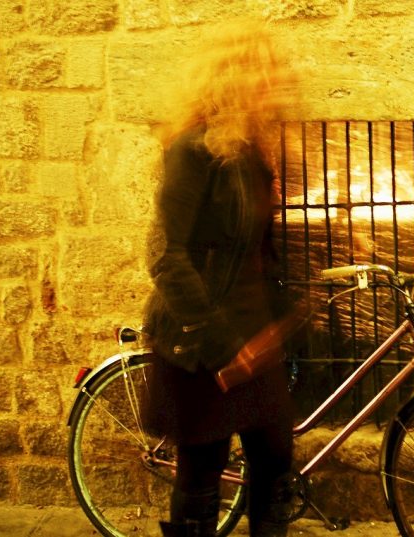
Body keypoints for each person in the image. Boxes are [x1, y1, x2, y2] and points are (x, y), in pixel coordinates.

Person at [142, 21, 297, 537]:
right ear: (234, 77)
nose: (277, 81)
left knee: (275, 460)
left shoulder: (250, 154)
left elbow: (253, 252)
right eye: (265, 71)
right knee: (202, 469)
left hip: (253, 337)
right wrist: (223, 346)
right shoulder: (193, 150)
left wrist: (283, 314)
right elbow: (165, 256)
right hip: (204, 345)